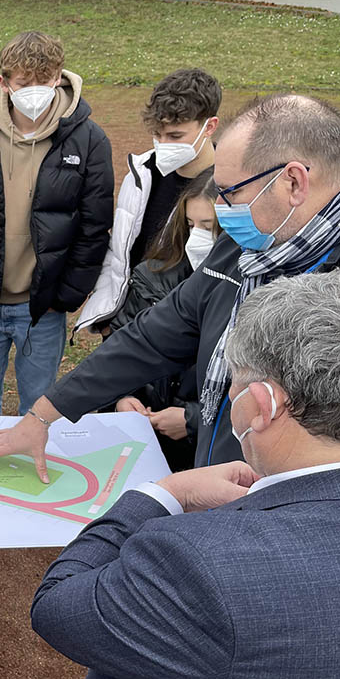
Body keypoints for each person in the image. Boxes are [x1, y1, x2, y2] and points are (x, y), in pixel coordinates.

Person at [32, 266, 340, 679]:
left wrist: (164, 493)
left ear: (264, 404)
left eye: (234, 380)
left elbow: (60, 606)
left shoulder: (206, 567)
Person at [0, 94, 340, 474]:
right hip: (222, 487)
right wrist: (44, 414)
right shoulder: (254, 242)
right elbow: (158, 334)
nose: (220, 209)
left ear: (292, 182)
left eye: (230, 193)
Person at [0, 30, 114, 416]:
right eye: (25, 83)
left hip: (42, 309)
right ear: (5, 83)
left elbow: (95, 226)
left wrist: (66, 297)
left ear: (59, 76)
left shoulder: (89, 140)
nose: (35, 91)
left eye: (45, 80)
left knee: (38, 413)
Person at [76, 68, 222, 335]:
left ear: (209, 127)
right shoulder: (142, 172)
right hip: (126, 326)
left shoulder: (230, 189)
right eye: (158, 134)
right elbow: (121, 247)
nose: (163, 144)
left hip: (182, 331)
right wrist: (110, 319)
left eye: (175, 136)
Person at [111, 170, 222, 471]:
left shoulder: (252, 289)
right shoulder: (151, 276)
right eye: (190, 225)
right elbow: (121, 345)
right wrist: (123, 397)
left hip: (211, 455)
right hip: (147, 442)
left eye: (208, 227)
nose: (196, 237)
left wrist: (193, 419)